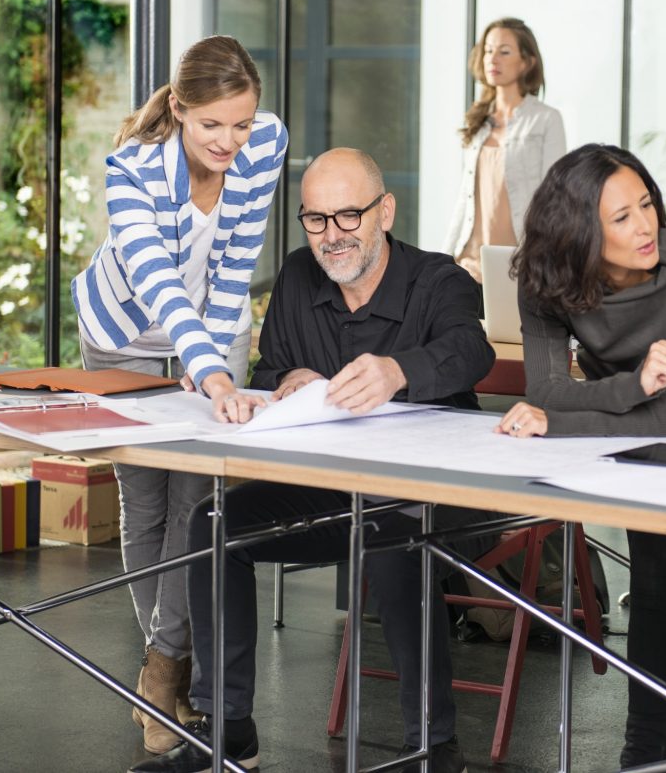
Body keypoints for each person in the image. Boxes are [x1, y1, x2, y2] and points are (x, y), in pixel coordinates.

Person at [131, 148, 493, 773]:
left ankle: (433, 749)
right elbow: (268, 371)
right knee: (216, 525)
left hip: (440, 493)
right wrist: (287, 379)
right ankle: (227, 732)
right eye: (316, 219)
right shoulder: (299, 278)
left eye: (348, 216)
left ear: (386, 212)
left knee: (396, 534)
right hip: (332, 488)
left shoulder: (440, 281)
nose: (333, 235)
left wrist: (399, 370)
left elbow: (471, 352)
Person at [496, 144, 666, 766]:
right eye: (621, 217)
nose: (645, 225)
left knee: (654, 558)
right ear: (578, 231)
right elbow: (545, 394)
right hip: (626, 406)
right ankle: (662, 737)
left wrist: (570, 419)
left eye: (645, 204)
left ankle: (646, 744)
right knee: (653, 565)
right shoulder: (544, 278)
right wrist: (633, 387)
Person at [73, 35, 286, 754]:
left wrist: (217, 368)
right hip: (121, 336)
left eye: (242, 124)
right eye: (212, 125)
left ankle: (160, 673)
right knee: (145, 498)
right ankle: (163, 662)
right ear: (178, 109)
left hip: (205, 332)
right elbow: (157, 280)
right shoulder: (131, 169)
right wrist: (211, 367)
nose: (230, 141)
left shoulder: (264, 146)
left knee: (197, 499)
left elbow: (234, 271)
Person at [444, 17, 567, 288]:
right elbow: (465, 198)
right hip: (468, 264)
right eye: (488, 50)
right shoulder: (477, 122)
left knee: (507, 332)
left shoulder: (546, 120)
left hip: (519, 265)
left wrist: (547, 262)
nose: (493, 59)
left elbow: (554, 200)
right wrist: (444, 257)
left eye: (504, 51)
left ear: (527, 62)